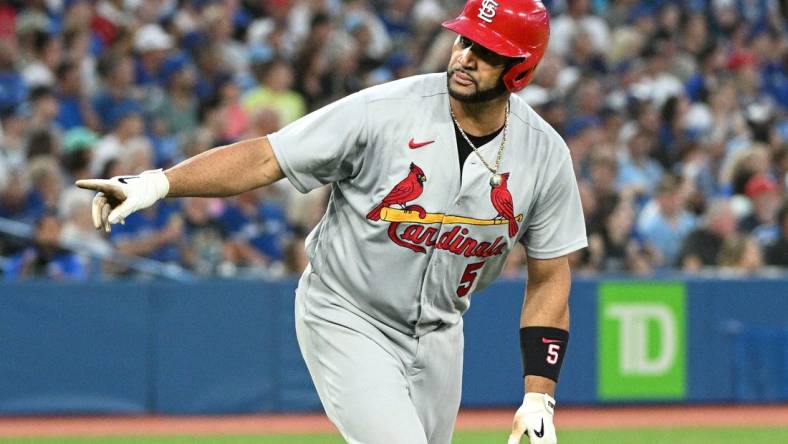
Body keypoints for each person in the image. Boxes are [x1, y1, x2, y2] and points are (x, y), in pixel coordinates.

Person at [76, 1, 587, 443]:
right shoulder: (385, 111)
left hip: (440, 330)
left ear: (520, 69)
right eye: (463, 41)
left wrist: (539, 396)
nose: (465, 57)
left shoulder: (543, 154)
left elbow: (550, 273)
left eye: (486, 50)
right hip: (347, 312)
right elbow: (266, 157)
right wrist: (156, 184)